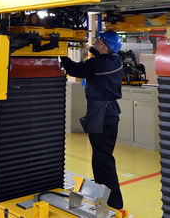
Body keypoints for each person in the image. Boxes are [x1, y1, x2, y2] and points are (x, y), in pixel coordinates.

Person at [60, 30, 124, 210]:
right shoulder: (115, 60)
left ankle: (115, 202)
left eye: (98, 42)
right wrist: (86, 46)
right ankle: (103, 196)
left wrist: (61, 52)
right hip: (110, 114)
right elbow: (100, 54)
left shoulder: (97, 64)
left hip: (100, 115)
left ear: (105, 46)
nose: (95, 44)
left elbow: (74, 69)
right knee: (101, 157)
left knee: (103, 159)